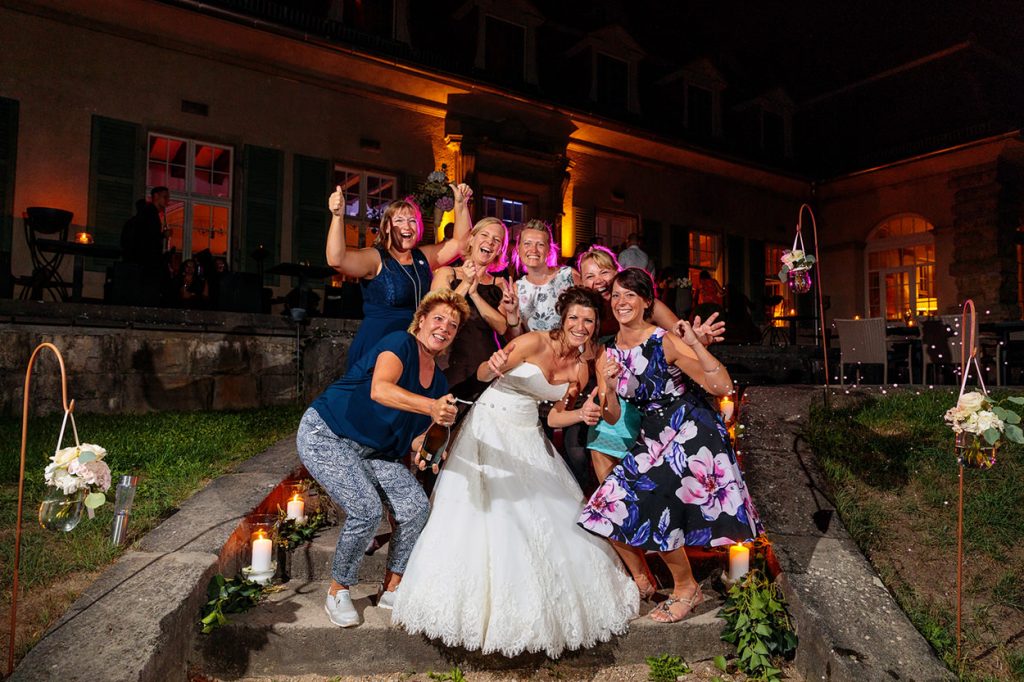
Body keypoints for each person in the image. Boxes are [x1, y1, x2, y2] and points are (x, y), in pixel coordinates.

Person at [392, 288, 639, 658]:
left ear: (595, 327)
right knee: (486, 514)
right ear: (562, 317)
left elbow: (555, 416)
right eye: (574, 318)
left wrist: (581, 416)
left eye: (588, 321)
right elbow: (481, 373)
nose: (580, 326)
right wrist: (490, 367)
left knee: (551, 517)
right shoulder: (531, 342)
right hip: (489, 426)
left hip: (529, 434)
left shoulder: (581, 369)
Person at [578, 269, 762, 623]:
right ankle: (648, 579)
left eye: (630, 295)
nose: (621, 302)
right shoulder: (606, 353)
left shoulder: (663, 340)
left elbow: (720, 386)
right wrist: (611, 389)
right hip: (652, 435)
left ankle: (685, 588)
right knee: (604, 505)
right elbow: (613, 416)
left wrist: (693, 342)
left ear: (648, 302)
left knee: (654, 502)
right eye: (616, 295)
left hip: (691, 430)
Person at [296, 290, 470, 628]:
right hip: (328, 435)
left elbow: (415, 433)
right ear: (421, 321)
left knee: (415, 507)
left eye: (452, 325)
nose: (444, 327)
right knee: (366, 509)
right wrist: (431, 407)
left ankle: (392, 586)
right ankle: (338, 589)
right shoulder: (399, 344)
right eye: (438, 319)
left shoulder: (438, 380)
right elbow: (381, 389)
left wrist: (427, 449)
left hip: (377, 452)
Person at [577, 246, 724, 484]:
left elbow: (681, 336)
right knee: (599, 446)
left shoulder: (647, 304)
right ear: (581, 281)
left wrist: (698, 340)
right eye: (589, 276)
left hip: (655, 389)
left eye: (604, 272)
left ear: (618, 272)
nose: (599, 281)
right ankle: (617, 508)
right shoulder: (587, 311)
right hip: (611, 387)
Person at [326, 182, 474, 370]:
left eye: (412, 221)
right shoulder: (376, 258)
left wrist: (461, 206)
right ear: (386, 227)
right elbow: (336, 259)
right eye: (399, 220)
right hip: (378, 345)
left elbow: (461, 244)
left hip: (413, 346)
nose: (407, 226)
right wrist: (337, 216)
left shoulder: (422, 257)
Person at [429, 216, 510, 399]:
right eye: (485, 235)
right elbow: (439, 312)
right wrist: (466, 284)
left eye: (496, 240)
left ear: (499, 250)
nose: (490, 242)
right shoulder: (446, 273)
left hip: (486, 363)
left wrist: (475, 294)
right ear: (472, 239)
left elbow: (502, 326)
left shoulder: (500, 284)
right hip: (450, 361)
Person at [503, 219, 580, 336]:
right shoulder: (517, 288)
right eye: (527, 243)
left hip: (570, 352)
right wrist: (512, 314)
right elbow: (516, 338)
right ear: (518, 249)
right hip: (536, 353)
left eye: (540, 244)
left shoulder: (568, 276)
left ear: (548, 250)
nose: (533, 250)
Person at [121, 187, 170, 268]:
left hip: (140, 261)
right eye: (165, 197)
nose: (167, 201)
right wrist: (162, 235)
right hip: (144, 262)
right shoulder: (150, 214)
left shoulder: (148, 213)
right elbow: (148, 239)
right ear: (156, 196)